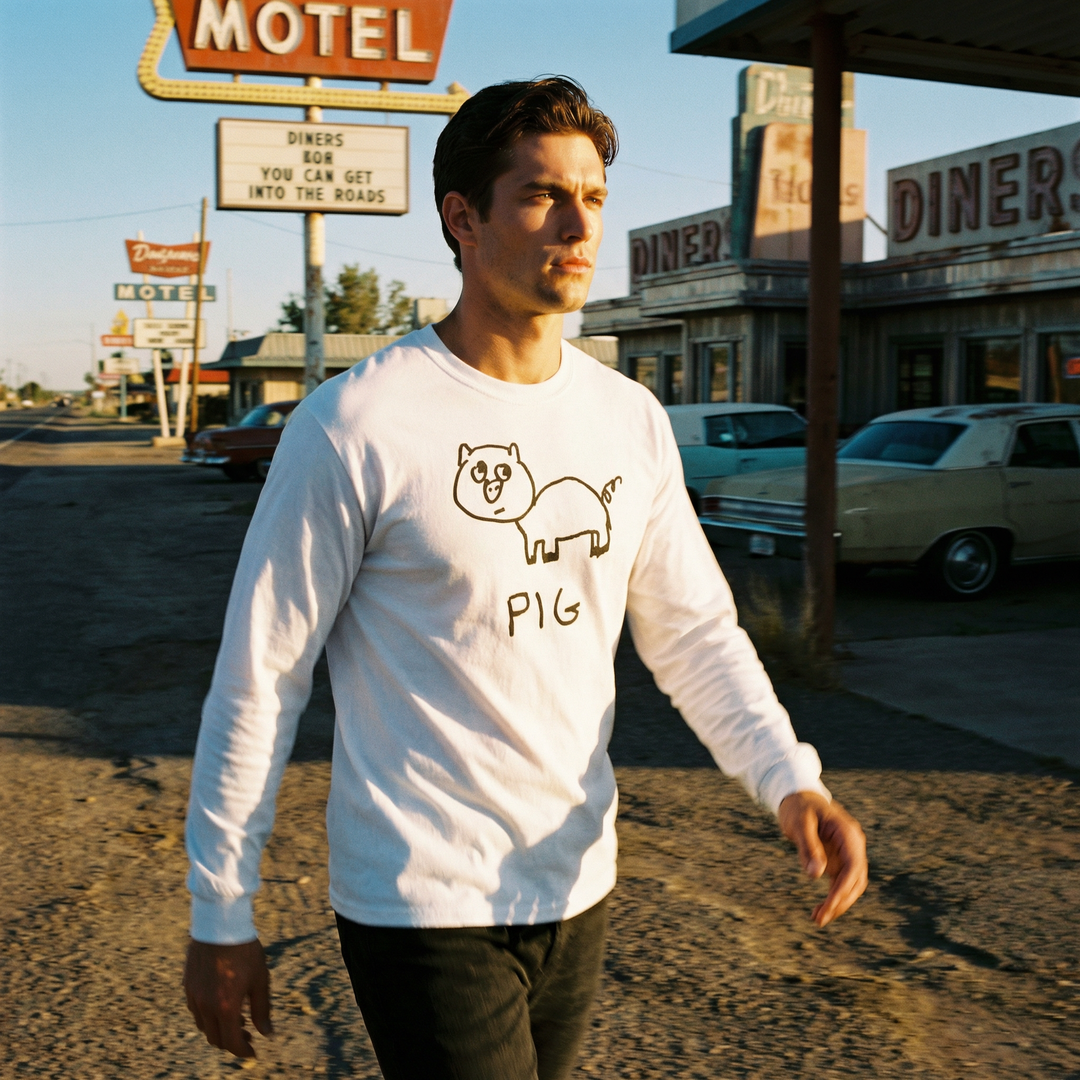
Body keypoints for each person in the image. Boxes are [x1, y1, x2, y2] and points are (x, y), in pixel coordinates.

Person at [183, 77, 867, 1079]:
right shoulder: (356, 424)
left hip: (576, 882)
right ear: (463, 218)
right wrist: (220, 908)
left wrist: (788, 779)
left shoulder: (626, 417)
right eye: (543, 194)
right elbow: (262, 677)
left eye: (592, 195)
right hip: (422, 902)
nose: (578, 221)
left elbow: (693, 632)